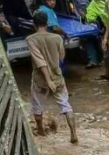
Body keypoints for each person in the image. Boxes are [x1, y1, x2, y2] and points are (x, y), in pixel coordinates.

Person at [27, 12, 78, 144]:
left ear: (34, 24)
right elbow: (61, 56)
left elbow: (39, 61)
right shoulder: (57, 38)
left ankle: (41, 131)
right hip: (57, 76)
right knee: (65, 105)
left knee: (37, 106)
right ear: (47, 23)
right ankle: (73, 134)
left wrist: (47, 80)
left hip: (40, 79)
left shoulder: (31, 39)